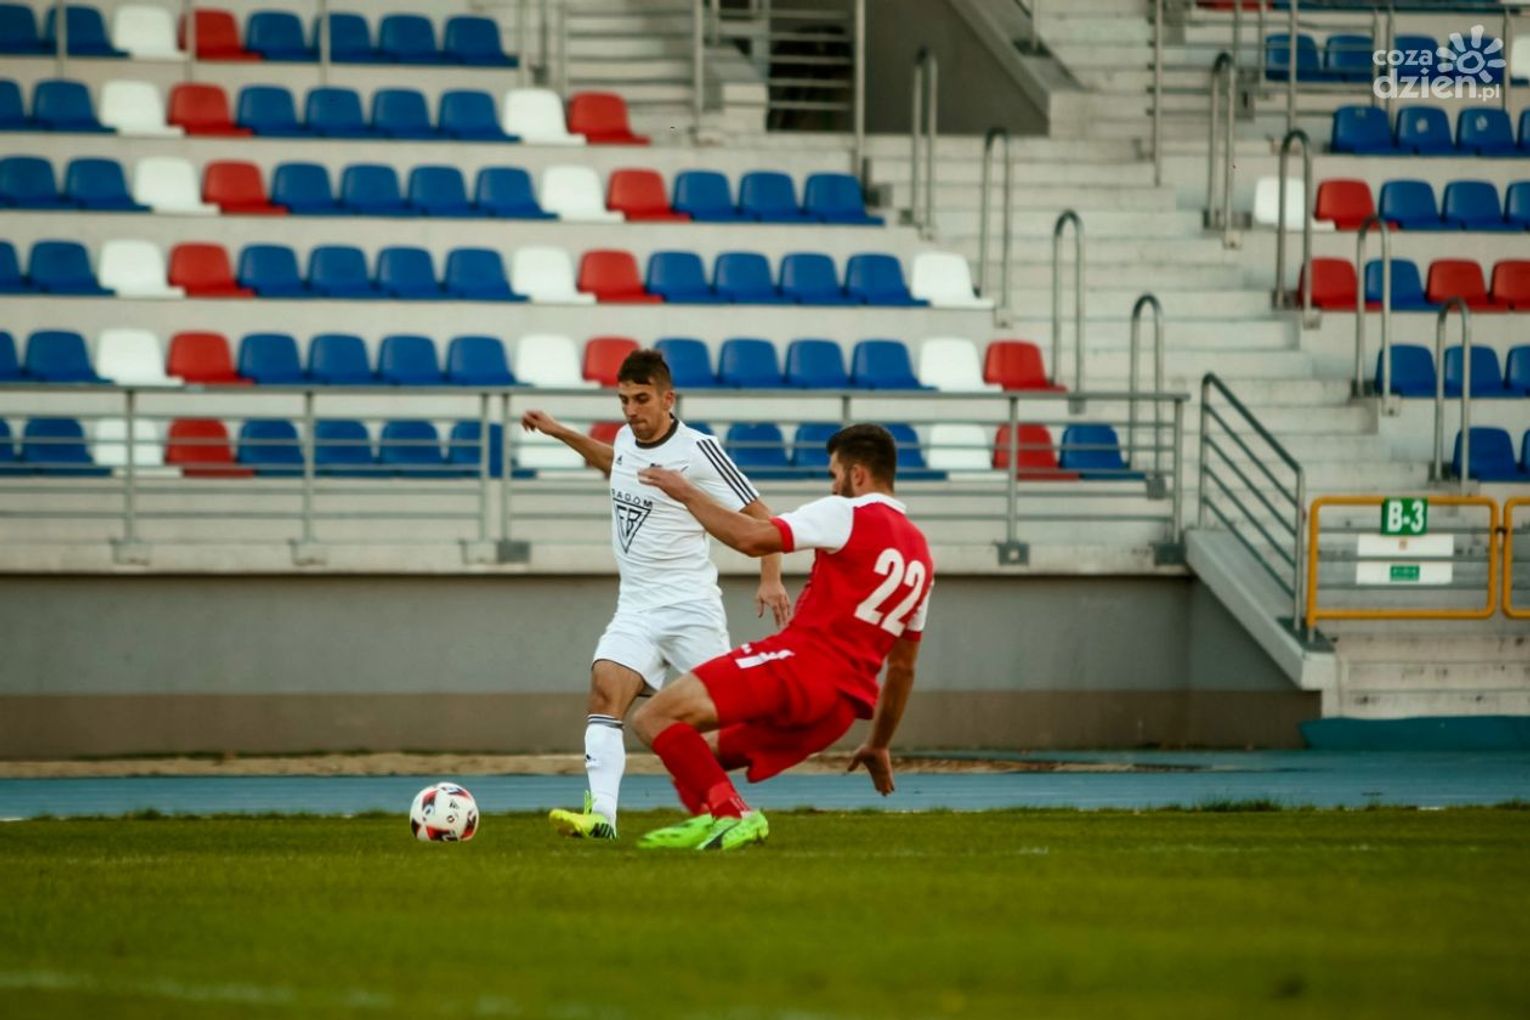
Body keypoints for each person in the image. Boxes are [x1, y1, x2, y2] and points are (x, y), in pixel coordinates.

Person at [520, 349, 790, 840]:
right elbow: (614, 461)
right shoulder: (626, 438)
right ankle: (603, 816)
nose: (631, 411)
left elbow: (762, 517)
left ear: (668, 399)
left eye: (641, 399)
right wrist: (559, 431)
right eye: (624, 400)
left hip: (691, 609)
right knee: (605, 690)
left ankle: (733, 810)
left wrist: (770, 577)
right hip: (636, 608)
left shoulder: (699, 450)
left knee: (715, 726)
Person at [630, 423, 933, 851]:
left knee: (653, 718)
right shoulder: (921, 554)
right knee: (699, 753)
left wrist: (686, 493)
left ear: (857, 474)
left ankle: (733, 815)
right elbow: (902, 668)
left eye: (834, 475)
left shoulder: (846, 512)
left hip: (800, 669)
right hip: (839, 712)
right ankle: (713, 820)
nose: (834, 485)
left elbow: (751, 538)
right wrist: (878, 744)